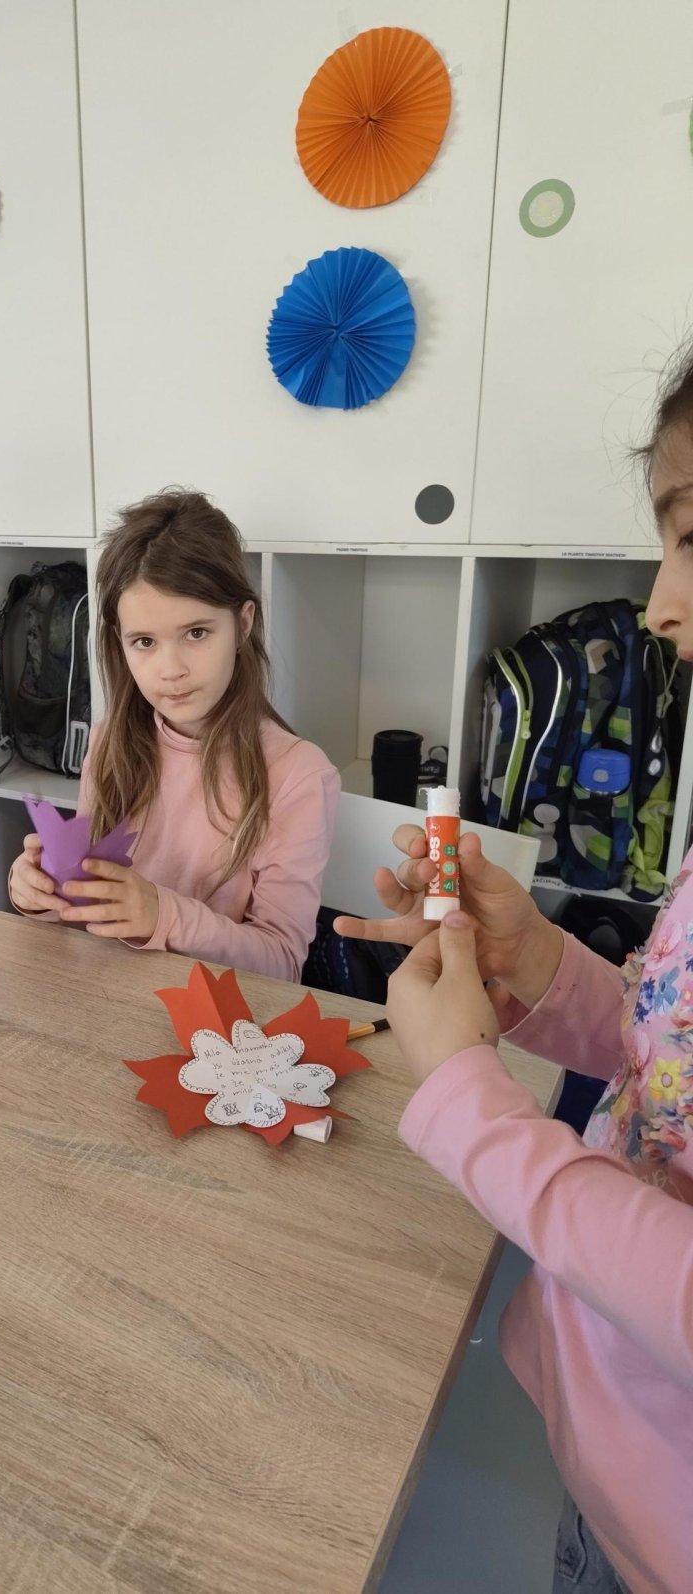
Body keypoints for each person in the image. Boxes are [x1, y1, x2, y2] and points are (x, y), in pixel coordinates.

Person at [337, 350, 693, 1593]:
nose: (657, 607)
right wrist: (535, 961)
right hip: (620, 1456)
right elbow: (673, 1059)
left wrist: (468, 1101)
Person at [9, 490, 339, 981]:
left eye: (197, 633)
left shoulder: (300, 775)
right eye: (144, 642)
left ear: (243, 624)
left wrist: (163, 915)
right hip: (108, 995)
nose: (171, 670)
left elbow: (283, 963)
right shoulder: (109, 742)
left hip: (220, 1015)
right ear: (120, 644)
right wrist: (38, 890)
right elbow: (84, 900)